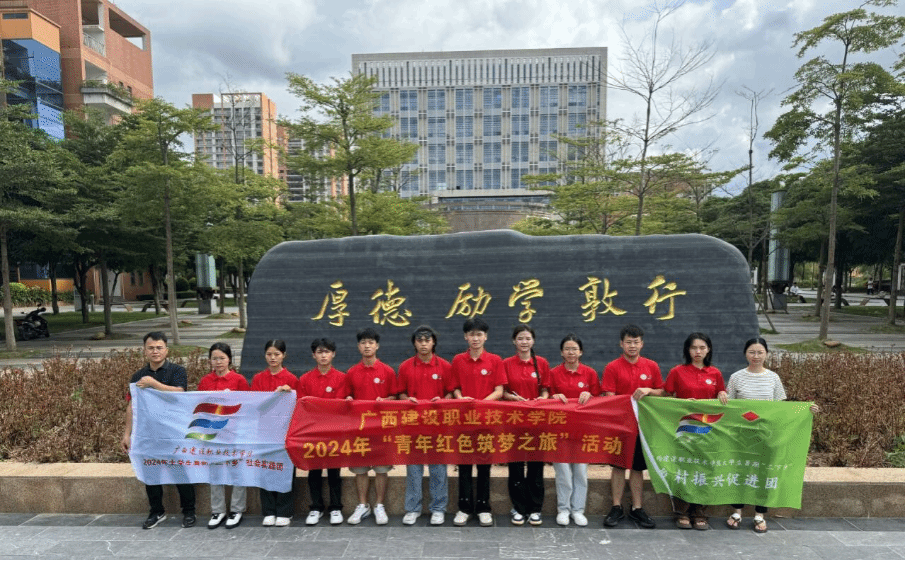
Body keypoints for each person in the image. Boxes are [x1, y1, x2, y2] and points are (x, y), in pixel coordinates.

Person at [725, 337, 819, 533]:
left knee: (764, 473)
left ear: (766, 354)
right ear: (745, 354)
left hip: (767, 434)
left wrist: (806, 410)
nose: (756, 356)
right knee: (740, 471)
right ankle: (736, 512)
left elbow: (781, 409)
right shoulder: (736, 377)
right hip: (741, 434)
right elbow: (729, 407)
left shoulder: (773, 378)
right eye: (752, 352)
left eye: (760, 352)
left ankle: (759, 515)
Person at [122, 331, 196, 530]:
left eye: (159, 347)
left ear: (166, 350)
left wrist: (153, 384)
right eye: (151, 348)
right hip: (148, 433)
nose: (155, 351)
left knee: (180, 472)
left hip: (173, 433)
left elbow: (180, 393)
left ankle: (189, 511)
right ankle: (156, 511)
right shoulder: (137, 376)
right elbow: (131, 406)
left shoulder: (177, 371)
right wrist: (127, 434)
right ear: (145, 351)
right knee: (151, 474)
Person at [601, 324, 664, 529]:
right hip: (620, 426)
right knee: (619, 466)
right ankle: (616, 506)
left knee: (637, 468)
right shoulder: (612, 367)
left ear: (642, 344)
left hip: (643, 426)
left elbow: (662, 392)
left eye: (636, 342)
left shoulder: (651, 366)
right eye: (628, 342)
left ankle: (637, 508)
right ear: (621, 344)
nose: (632, 346)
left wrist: (648, 390)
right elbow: (609, 396)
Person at [663, 332, 728, 531]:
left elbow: (721, 399)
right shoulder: (677, 371)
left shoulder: (715, 373)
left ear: (708, 350)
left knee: (705, 470)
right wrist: (682, 403)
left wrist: (722, 393)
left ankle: (700, 512)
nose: (697, 351)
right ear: (687, 350)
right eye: (693, 348)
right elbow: (665, 396)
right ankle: (682, 512)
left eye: (702, 348)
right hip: (684, 430)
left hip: (707, 431)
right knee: (684, 469)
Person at [450, 318, 505, 527]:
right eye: (472, 334)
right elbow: (455, 388)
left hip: (486, 421)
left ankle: (483, 508)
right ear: (466, 336)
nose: (475, 338)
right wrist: (461, 398)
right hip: (464, 420)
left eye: (479, 334)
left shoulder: (495, 360)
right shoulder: (458, 360)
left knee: (484, 466)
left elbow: (499, 390)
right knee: (464, 465)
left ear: (486, 337)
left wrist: (481, 404)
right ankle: (463, 508)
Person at [397, 325, 454, 526]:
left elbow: (451, 392)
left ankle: (438, 508)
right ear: (414, 343)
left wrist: (443, 400)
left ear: (433, 342)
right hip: (413, 424)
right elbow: (400, 393)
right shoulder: (405, 366)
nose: (423, 344)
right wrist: (407, 400)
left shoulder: (444, 366)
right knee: (414, 469)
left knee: (438, 468)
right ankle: (413, 508)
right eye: (419, 340)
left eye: (427, 340)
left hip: (438, 425)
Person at [344, 328, 398, 526]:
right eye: (363, 342)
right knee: (360, 469)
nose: (367, 346)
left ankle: (379, 505)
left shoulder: (387, 371)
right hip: (359, 429)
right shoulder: (352, 372)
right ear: (358, 346)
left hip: (381, 428)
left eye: (370, 342)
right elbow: (347, 396)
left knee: (381, 469)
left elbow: (395, 396)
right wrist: (348, 399)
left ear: (377, 346)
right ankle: (362, 505)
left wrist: (385, 400)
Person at [546, 333, 600, 527]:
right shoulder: (553, 373)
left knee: (580, 472)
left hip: (582, 430)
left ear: (581, 352)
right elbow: (546, 397)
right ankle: (563, 509)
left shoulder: (590, 373)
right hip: (559, 430)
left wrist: (590, 395)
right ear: (562, 352)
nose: (571, 352)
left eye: (574, 349)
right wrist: (553, 397)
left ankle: (578, 510)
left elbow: (599, 399)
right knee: (563, 473)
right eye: (567, 349)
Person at [296, 337, 349, 526]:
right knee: (314, 472)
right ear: (313, 355)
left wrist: (320, 407)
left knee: (334, 471)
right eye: (320, 352)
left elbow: (339, 405)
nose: (323, 355)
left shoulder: (342, 378)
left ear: (333, 354)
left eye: (327, 351)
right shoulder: (305, 379)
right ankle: (316, 508)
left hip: (333, 432)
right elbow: (303, 406)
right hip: (313, 433)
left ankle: (336, 508)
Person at [197, 342, 250, 530]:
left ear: (229, 359)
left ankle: (237, 509)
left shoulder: (239, 380)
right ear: (210, 360)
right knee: (215, 472)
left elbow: (247, 406)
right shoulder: (205, 381)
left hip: (234, 433)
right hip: (213, 434)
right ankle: (218, 510)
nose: (218, 362)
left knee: (237, 471)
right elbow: (199, 406)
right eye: (214, 358)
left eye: (222, 358)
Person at [502, 324, 550, 526]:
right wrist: (514, 399)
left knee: (535, 466)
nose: (524, 342)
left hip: (536, 421)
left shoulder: (541, 363)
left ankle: (535, 508)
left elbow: (546, 390)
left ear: (533, 341)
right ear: (514, 341)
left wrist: (541, 399)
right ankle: (518, 508)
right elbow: (502, 392)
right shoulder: (506, 364)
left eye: (528, 338)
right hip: (513, 421)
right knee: (515, 466)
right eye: (520, 338)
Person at [250, 339, 297, 527]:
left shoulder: (291, 379)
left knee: (285, 470)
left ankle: (285, 511)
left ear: (284, 355)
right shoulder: (258, 378)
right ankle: (269, 510)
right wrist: (275, 396)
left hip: (284, 432)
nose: (273, 358)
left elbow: (296, 407)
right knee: (266, 469)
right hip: (264, 431)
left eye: (277, 354)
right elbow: (255, 405)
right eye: (269, 354)